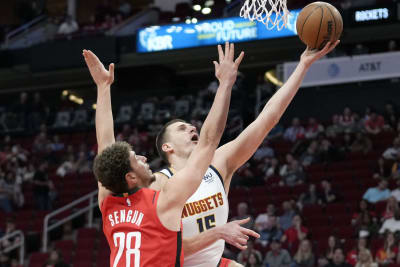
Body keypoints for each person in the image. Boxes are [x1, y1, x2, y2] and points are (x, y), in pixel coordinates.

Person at [151, 41, 340, 267]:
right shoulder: (157, 184)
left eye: (191, 126)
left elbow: (267, 119)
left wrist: (303, 66)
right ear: (167, 147)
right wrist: (217, 233)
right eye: (182, 129)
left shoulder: (218, 164)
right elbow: (163, 249)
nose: (192, 128)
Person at [84, 44, 250, 266]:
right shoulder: (162, 200)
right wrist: (225, 85)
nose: (144, 158)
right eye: (136, 159)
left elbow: (105, 145)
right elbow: (209, 141)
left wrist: (103, 88)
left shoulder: (107, 200)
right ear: (130, 178)